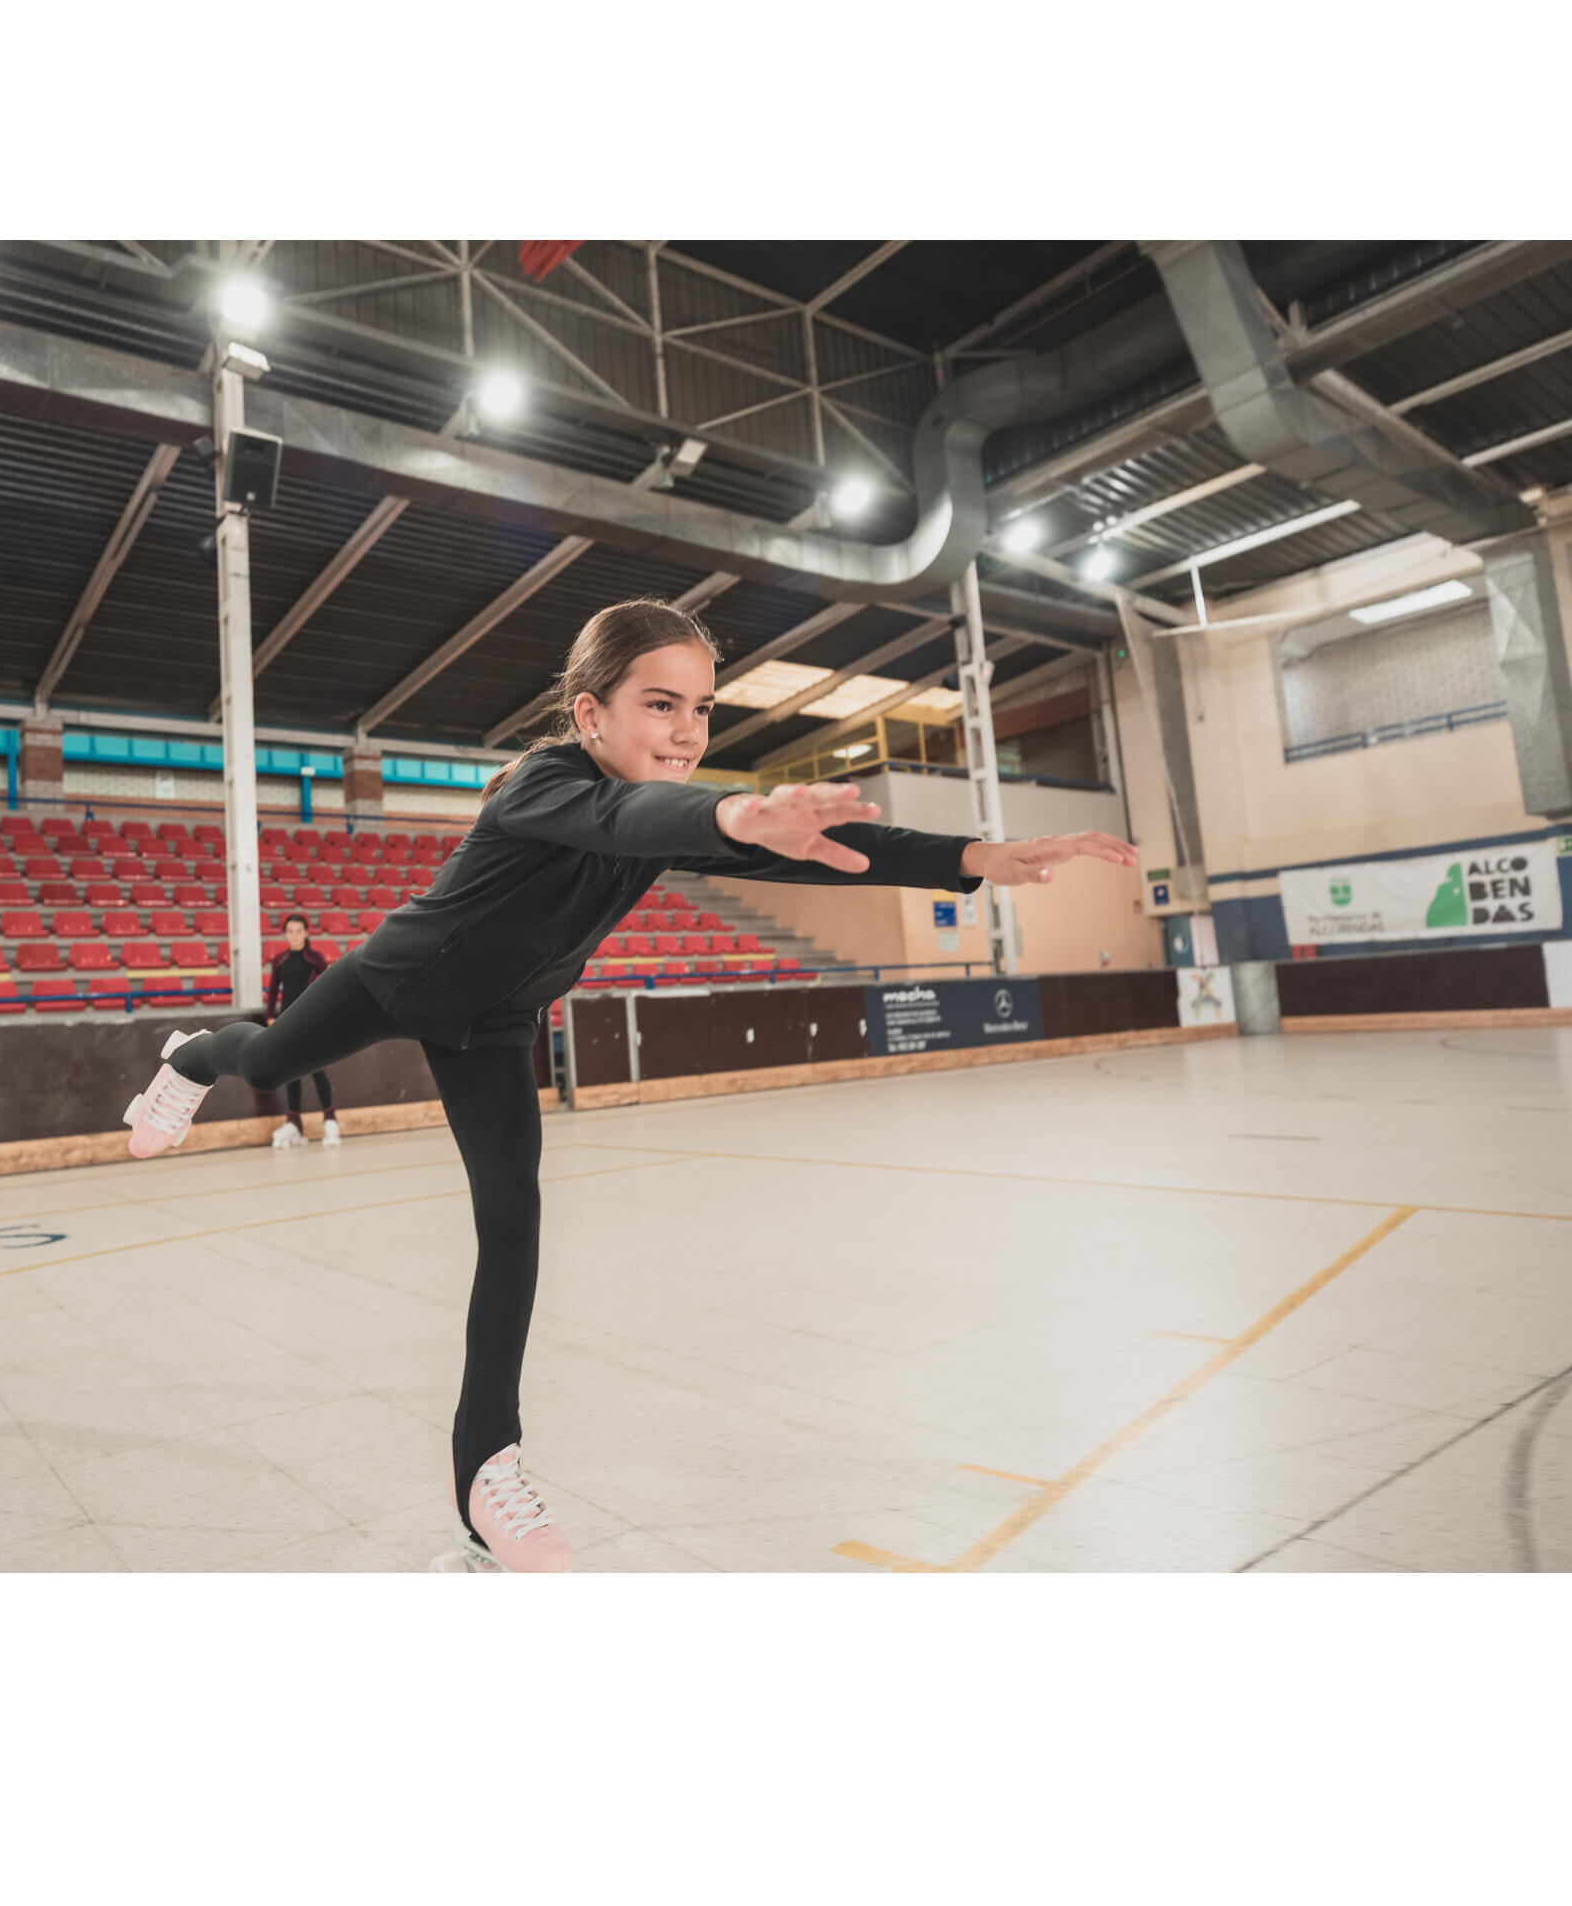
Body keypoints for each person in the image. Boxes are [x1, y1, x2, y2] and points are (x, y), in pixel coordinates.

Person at [121, 599, 1135, 1570]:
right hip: (396, 978)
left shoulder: (663, 803)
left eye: (701, 708)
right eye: (661, 702)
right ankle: (182, 1058)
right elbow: (637, 815)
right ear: (588, 712)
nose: (687, 728)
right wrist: (735, 809)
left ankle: (486, 1469)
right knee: (258, 1060)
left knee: (511, 1221)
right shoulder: (540, 786)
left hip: (497, 1025)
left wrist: (973, 853)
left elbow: (825, 853)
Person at [264, 912, 340, 1149]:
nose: (294, 936)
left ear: (306, 933)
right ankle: (294, 1123)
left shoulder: (314, 959)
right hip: (286, 1024)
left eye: (299, 931)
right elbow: (274, 991)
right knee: (291, 1073)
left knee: (316, 1070)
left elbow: (328, 988)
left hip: (309, 1022)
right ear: (285, 934)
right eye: (290, 931)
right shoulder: (280, 960)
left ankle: (330, 1120)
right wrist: (270, 1018)